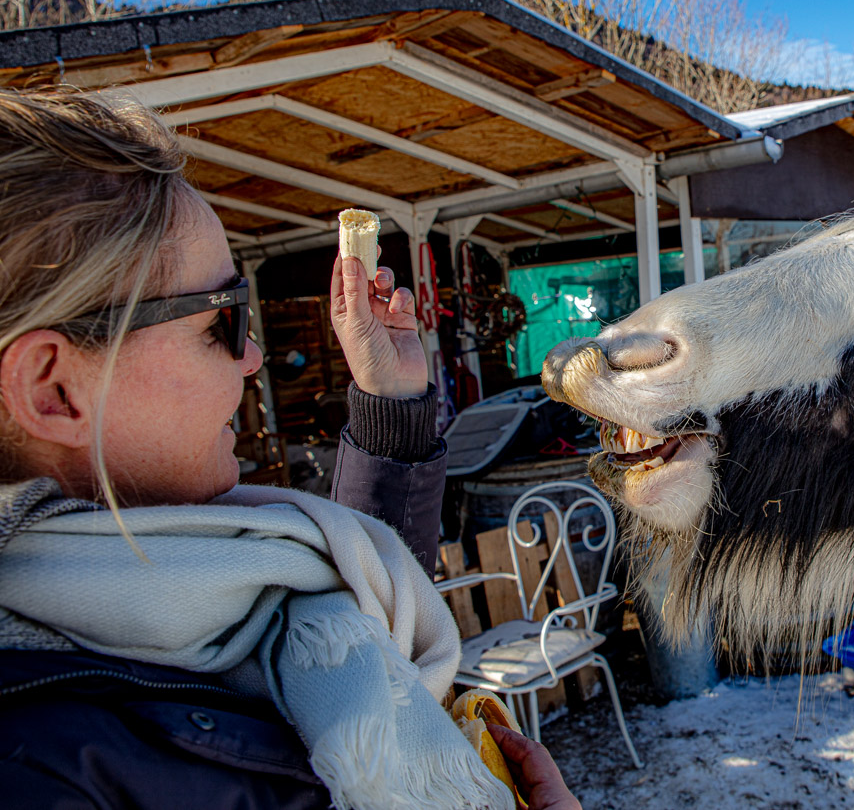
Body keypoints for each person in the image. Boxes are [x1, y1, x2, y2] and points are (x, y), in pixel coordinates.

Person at [0, 88, 579, 810]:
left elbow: (341, 611)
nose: (251, 358)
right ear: (53, 389)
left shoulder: (189, 592)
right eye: (220, 318)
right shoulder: (39, 773)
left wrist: (390, 401)